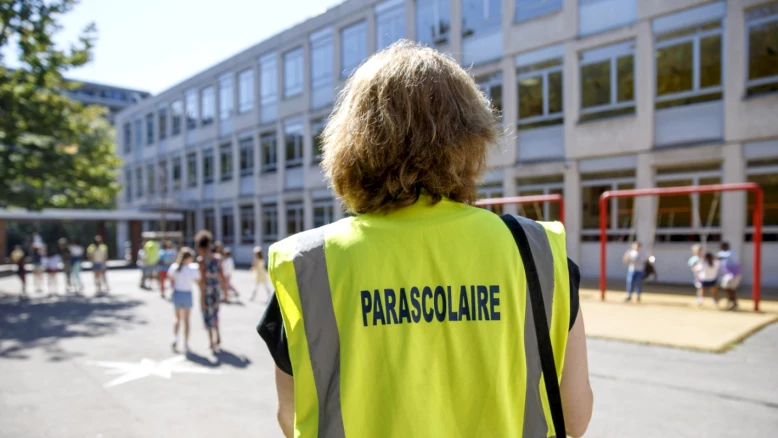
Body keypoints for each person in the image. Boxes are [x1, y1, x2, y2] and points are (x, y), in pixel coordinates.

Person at [257, 42, 593, 438]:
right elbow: (575, 417)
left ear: (351, 141)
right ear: (472, 137)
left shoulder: (310, 265)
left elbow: (291, 416)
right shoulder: (535, 252)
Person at [195, 230, 227, 352]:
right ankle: (218, 335)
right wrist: (225, 292)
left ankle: (211, 341)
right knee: (215, 313)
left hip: (207, 290)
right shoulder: (218, 258)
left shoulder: (201, 260)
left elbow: (202, 280)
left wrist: (201, 297)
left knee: (207, 315)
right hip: (216, 289)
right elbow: (222, 276)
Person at [167, 247, 200, 353]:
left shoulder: (174, 267)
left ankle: (175, 338)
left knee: (177, 318)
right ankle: (186, 342)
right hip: (187, 294)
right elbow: (197, 281)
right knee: (186, 320)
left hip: (177, 293)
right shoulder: (192, 268)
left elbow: (170, 278)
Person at [718, 242, 742, 311]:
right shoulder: (723, 252)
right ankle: (732, 301)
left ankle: (732, 301)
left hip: (734, 274)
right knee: (728, 287)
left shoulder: (731, 252)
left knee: (728, 287)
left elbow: (722, 256)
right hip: (729, 274)